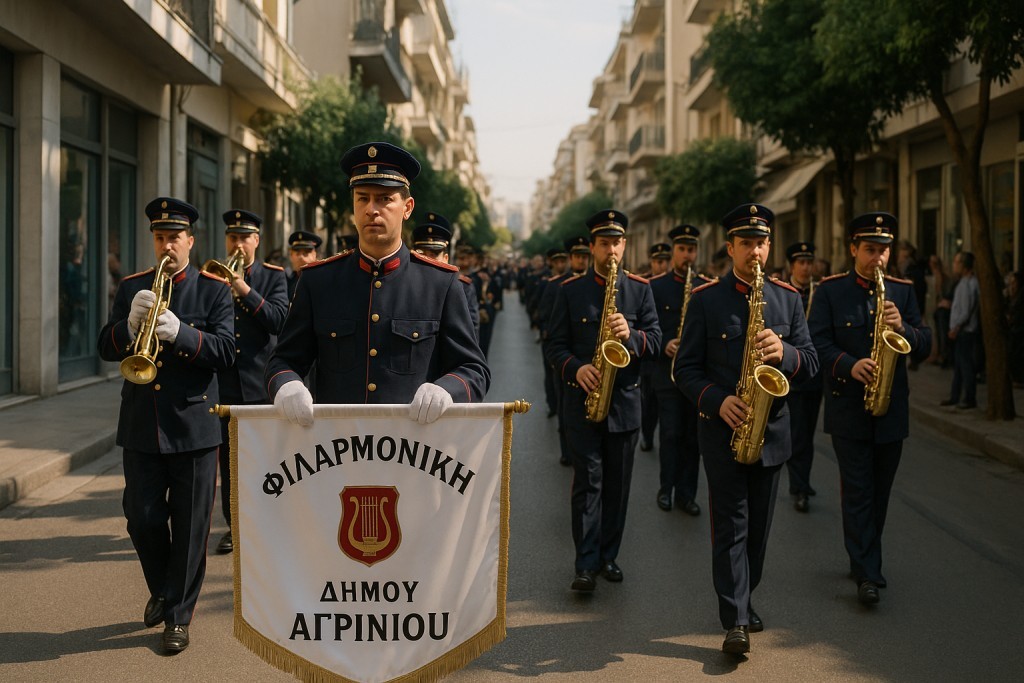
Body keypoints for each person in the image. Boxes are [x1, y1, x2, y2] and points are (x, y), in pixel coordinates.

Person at [674, 203, 817, 655]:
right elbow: (685, 369)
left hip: (772, 433)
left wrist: (787, 352)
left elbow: (811, 363)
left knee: (758, 530)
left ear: (769, 246)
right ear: (731, 247)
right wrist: (719, 401)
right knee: (731, 526)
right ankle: (734, 619)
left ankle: (745, 595)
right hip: (723, 431)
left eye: (762, 242)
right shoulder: (706, 299)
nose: (755, 251)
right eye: (746, 243)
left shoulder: (789, 300)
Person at [266, 142, 489, 424]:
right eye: (363, 198)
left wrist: (446, 389)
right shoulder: (318, 280)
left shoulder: (440, 284)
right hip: (333, 450)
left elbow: (474, 369)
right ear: (353, 206)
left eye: (384, 199)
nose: (372, 209)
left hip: (414, 451)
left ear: (407, 208)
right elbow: (282, 360)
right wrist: (287, 385)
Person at [97, 197, 235, 653]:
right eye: (160, 238)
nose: (167, 246)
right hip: (141, 423)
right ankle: (162, 587)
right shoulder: (135, 286)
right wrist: (126, 326)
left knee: (192, 527)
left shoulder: (213, 289)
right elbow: (105, 345)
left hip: (194, 424)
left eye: (175, 237)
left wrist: (183, 335)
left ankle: (178, 617)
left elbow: (226, 352)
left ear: (191, 241)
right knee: (141, 518)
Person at [807, 212, 931, 607]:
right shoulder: (829, 291)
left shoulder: (903, 290)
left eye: (883, 251)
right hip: (848, 407)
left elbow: (925, 344)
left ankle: (863, 557)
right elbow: (816, 344)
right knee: (858, 490)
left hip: (891, 408)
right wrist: (849, 364)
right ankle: (867, 573)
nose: (878, 258)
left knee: (880, 492)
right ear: (853, 250)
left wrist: (904, 331)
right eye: (870, 250)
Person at [546, 209, 661, 593]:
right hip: (583, 402)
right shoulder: (569, 290)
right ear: (592, 246)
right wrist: (576, 369)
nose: (611, 250)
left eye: (617, 243)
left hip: (625, 405)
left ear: (624, 245)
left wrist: (633, 335)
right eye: (604, 243)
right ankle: (585, 562)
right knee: (588, 484)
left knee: (618, 486)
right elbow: (555, 345)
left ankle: (609, 555)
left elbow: (657, 342)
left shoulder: (641, 290)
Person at [212, 209, 289, 554]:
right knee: (229, 463)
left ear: (257, 240)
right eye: (233, 238)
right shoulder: (212, 278)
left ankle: (269, 524)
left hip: (261, 385)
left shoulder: (274, 277)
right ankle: (234, 527)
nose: (238, 244)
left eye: (245, 238)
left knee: (267, 462)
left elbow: (278, 321)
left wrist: (243, 289)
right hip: (225, 384)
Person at [648, 224, 711, 516]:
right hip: (666, 373)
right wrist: (664, 343)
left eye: (691, 250)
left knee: (693, 437)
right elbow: (646, 325)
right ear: (674, 251)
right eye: (682, 249)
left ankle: (688, 494)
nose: (687, 255)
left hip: (696, 375)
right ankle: (666, 488)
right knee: (671, 433)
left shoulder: (706, 287)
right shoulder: (656, 286)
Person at [537, 235, 591, 465]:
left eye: (584, 257)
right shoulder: (557, 284)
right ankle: (566, 450)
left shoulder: (593, 283)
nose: (581, 261)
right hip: (564, 354)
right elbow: (547, 316)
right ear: (571, 259)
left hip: (586, 356)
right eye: (577, 257)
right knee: (563, 402)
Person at [784, 241, 824, 513]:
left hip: (814, 375)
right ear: (792, 265)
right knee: (797, 433)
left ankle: (803, 479)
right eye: (801, 262)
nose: (807, 267)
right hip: (790, 374)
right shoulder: (783, 293)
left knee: (807, 433)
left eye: (810, 262)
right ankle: (798, 486)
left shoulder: (819, 293)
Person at [410, 212, 480, 337]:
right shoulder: (402, 284)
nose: (427, 259)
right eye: (421, 253)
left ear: (446, 258)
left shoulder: (462, 287)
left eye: (434, 254)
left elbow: (469, 337)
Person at [638, 242, 671, 451]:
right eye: (659, 262)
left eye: (666, 261)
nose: (663, 266)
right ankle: (647, 435)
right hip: (650, 356)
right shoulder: (645, 285)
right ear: (651, 262)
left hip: (668, 356)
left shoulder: (669, 285)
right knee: (649, 401)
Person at [532, 246, 570, 417]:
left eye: (564, 261)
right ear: (552, 263)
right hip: (550, 334)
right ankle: (552, 405)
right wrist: (543, 329)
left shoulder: (570, 282)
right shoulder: (548, 283)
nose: (561, 265)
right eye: (558, 262)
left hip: (567, 334)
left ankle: (562, 405)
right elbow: (542, 309)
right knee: (550, 373)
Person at [942, 251, 980, 409]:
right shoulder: (965, 283)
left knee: (965, 365)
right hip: (962, 330)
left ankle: (969, 398)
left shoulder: (967, 285)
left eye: (957, 262)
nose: (954, 265)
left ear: (964, 266)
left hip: (964, 331)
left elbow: (965, 311)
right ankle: (955, 396)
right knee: (958, 365)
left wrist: (956, 328)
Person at [285, 230, 322, 301]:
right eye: (297, 253)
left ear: (315, 254)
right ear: (291, 255)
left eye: (306, 253)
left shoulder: (322, 279)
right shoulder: (286, 281)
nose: (301, 257)